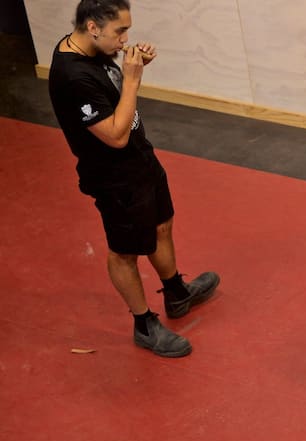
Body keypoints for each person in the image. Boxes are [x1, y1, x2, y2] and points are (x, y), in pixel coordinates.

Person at [47, 0, 219, 358]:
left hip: (140, 161)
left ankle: (176, 293)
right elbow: (114, 135)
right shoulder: (72, 76)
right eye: (119, 32)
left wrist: (133, 67)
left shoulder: (91, 45)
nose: (126, 39)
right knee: (124, 252)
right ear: (93, 26)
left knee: (161, 224)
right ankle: (144, 324)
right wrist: (132, 79)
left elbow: (117, 104)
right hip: (115, 178)